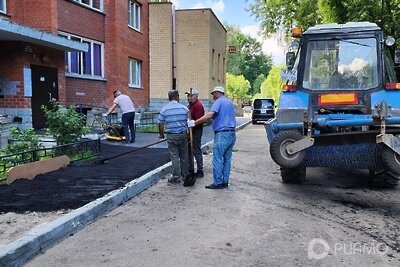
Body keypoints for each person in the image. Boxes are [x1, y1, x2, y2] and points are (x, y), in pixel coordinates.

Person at [188, 86, 236, 189]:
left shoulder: (218, 102)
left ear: (218, 93)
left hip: (222, 134)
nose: (213, 96)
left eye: (213, 94)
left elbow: (210, 115)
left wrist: (194, 122)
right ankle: (225, 181)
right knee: (227, 159)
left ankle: (218, 182)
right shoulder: (229, 103)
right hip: (231, 134)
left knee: (218, 159)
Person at [158, 90, 190, 184]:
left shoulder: (164, 109)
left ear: (169, 98)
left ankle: (176, 177)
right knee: (184, 156)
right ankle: (185, 175)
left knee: (174, 156)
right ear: (177, 97)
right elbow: (188, 122)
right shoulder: (184, 109)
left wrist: (161, 134)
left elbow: (160, 123)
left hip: (171, 136)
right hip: (183, 135)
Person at [185, 88, 205, 178]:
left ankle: (200, 170)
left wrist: (192, 124)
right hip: (190, 131)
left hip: (196, 131)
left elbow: (199, 120)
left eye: (191, 95)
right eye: (188, 96)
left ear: (196, 96)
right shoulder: (190, 106)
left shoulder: (198, 106)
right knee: (189, 150)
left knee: (196, 150)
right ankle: (190, 169)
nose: (189, 97)